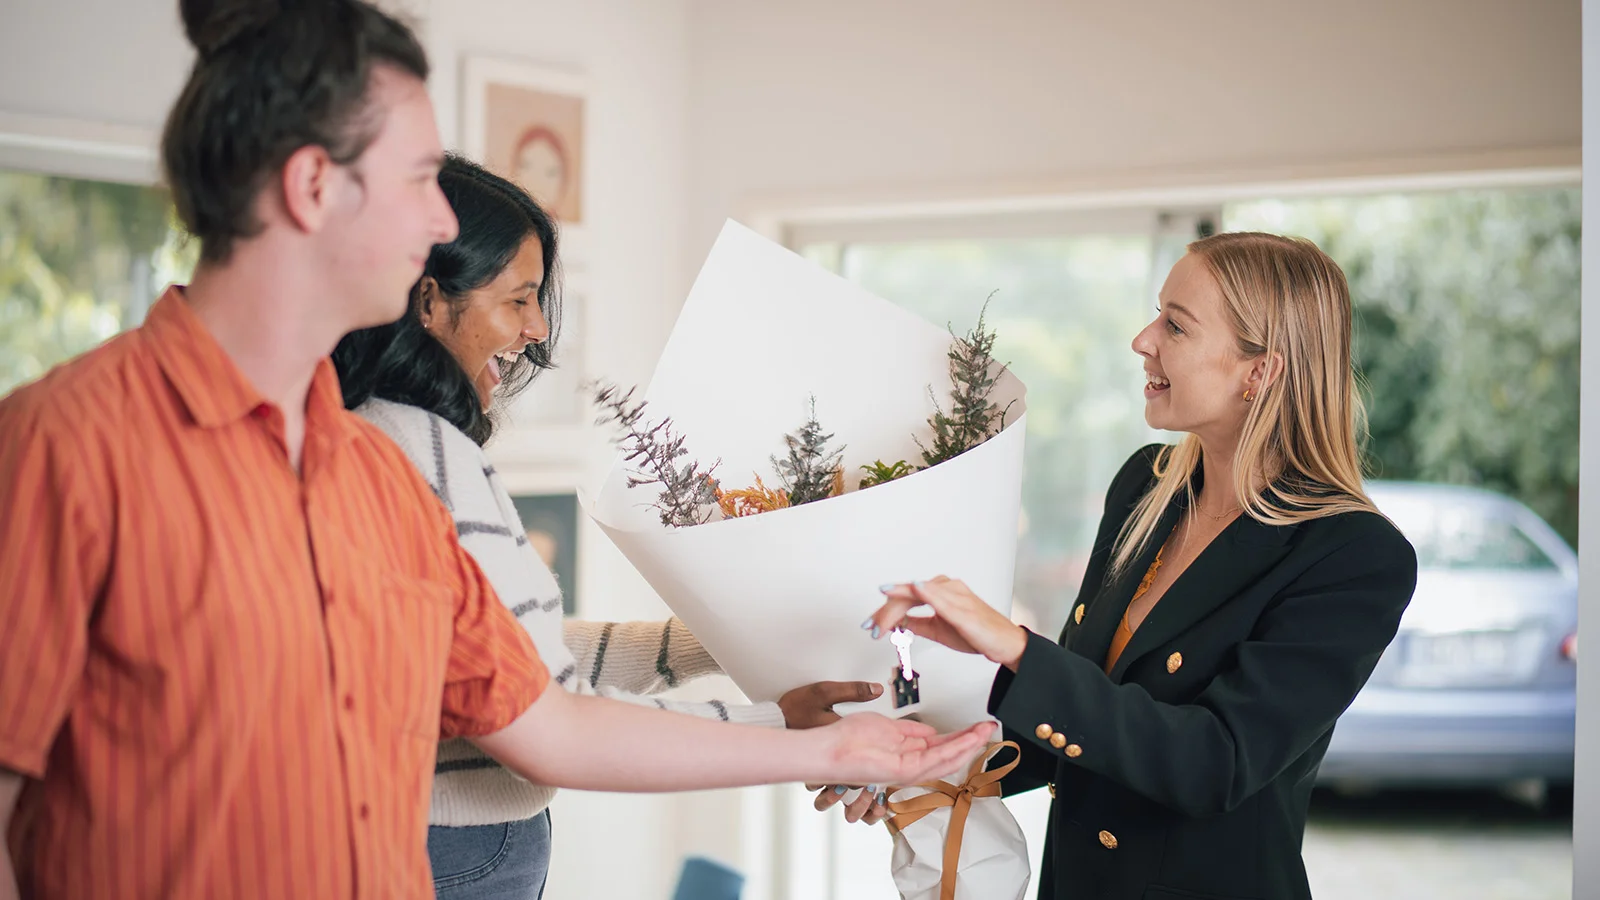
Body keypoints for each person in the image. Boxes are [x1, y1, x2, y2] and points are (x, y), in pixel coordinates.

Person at [0, 3, 991, 898]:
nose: (440, 221)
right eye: (423, 178)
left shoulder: (374, 478)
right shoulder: (66, 448)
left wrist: (848, 749)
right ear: (312, 185)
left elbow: (550, 724)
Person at [331, 154, 885, 898]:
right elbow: (549, 714)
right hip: (454, 849)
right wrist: (787, 731)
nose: (535, 329)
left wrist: (713, 641)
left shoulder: (368, 433)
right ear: (429, 302)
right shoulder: (427, 452)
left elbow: (513, 661)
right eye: (518, 299)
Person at [856, 233, 1418, 900]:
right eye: (1158, 313)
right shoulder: (1143, 491)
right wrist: (923, 764)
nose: (1143, 339)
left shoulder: (1353, 556)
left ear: (1259, 372)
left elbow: (1216, 762)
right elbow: (1084, 719)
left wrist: (1014, 647)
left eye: (1175, 324)